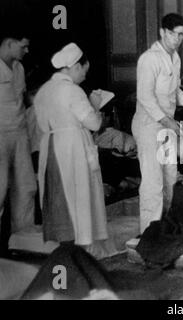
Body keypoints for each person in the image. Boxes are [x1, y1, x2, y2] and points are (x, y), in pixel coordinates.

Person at [131, 13, 183, 234]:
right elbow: (145, 97)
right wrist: (167, 121)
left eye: (181, 35)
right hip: (148, 126)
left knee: (170, 177)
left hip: (167, 126)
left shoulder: (175, 58)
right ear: (163, 32)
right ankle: (148, 234)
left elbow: (174, 89)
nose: (177, 39)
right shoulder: (149, 59)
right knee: (153, 183)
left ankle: (162, 226)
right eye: (173, 34)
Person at [34, 43, 108, 246]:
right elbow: (94, 123)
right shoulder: (73, 91)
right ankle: (77, 244)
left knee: (59, 194)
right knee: (76, 195)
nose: (84, 76)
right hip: (71, 147)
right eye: (84, 71)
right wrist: (95, 104)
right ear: (76, 67)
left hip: (50, 147)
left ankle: (64, 245)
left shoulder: (43, 91)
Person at [0, 30, 37, 253]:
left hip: (20, 133)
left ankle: (24, 244)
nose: (27, 50)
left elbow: (23, 99)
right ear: (9, 43)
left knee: (26, 187)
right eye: (23, 46)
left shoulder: (19, 68)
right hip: (0, 135)